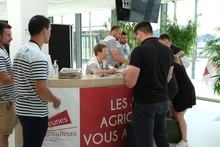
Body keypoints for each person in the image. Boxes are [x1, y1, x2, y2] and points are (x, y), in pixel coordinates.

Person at [122, 21, 174, 147]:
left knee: (145, 141)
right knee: (161, 137)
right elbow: (168, 78)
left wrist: (126, 74)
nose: (136, 40)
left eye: (135, 37)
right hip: (162, 101)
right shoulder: (167, 50)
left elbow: (130, 83)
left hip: (145, 103)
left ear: (139, 33)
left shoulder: (139, 51)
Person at [13, 15, 61, 147]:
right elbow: (42, 91)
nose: (50, 34)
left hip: (21, 108)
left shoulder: (21, 51)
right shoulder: (38, 56)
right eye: (50, 31)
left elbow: (14, 78)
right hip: (34, 112)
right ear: (44, 31)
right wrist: (55, 99)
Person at [170, 55, 196, 147]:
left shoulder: (173, 66)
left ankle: (184, 140)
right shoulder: (177, 64)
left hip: (184, 92)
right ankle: (176, 134)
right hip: (183, 90)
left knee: (179, 115)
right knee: (175, 112)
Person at [0, 21, 18, 147]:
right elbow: (4, 80)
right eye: (8, 35)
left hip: (7, 100)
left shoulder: (3, 51)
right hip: (4, 101)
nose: (11, 38)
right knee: (3, 136)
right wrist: (19, 71)